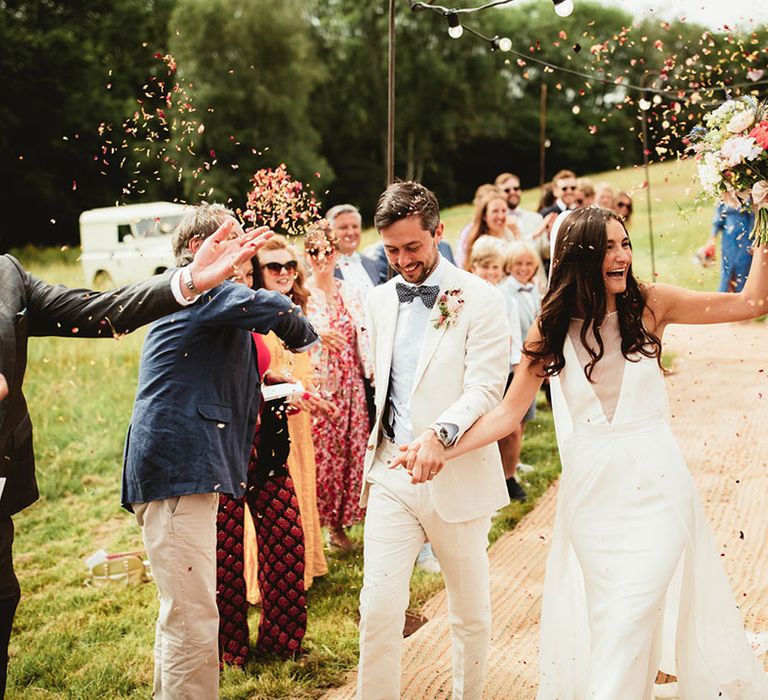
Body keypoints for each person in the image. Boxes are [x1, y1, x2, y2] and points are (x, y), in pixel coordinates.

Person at [395, 205, 768, 698]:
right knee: (615, 613)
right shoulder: (551, 327)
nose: (622, 255)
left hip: (658, 483)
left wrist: (764, 217)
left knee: (637, 602)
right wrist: (440, 443)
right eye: (608, 246)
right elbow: (507, 415)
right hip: (593, 492)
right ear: (580, 255)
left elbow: (751, 304)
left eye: (625, 244)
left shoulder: (653, 304)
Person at [0, 219, 263, 696]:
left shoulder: (7, 276)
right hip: (174, 471)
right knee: (190, 613)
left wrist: (188, 280)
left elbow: (103, 308)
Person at [121, 203, 318, 698]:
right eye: (235, 252)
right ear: (197, 251)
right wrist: (304, 332)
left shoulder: (202, 301)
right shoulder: (197, 290)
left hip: (183, 470)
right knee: (193, 619)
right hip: (178, 469)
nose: (243, 270)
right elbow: (274, 308)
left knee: (185, 616)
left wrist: (267, 381)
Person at [357, 181, 510, 700]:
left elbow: (487, 388)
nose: (403, 261)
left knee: (468, 611)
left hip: (456, 474)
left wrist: (438, 437)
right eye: (391, 250)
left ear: (438, 232)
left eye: (413, 248)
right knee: (377, 608)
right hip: (391, 475)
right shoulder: (378, 301)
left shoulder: (482, 299)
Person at [304, 221, 371, 552]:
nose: (321, 258)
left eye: (327, 251)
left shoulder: (349, 291)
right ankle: (316, 526)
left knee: (351, 454)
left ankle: (340, 526)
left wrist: (371, 372)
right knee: (322, 457)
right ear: (307, 255)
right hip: (319, 387)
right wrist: (316, 335)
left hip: (351, 383)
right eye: (314, 252)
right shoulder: (302, 295)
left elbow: (364, 333)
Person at [467, 238, 525, 501]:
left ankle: (509, 476)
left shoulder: (507, 301)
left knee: (511, 429)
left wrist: (516, 369)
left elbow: (513, 338)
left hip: (504, 374)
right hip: (474, 375)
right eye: (485, 267)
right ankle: (481, 483)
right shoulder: (466, 298)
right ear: (474, 267)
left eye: (495, 268)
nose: (491, 273)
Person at [327, 204, 379, 293]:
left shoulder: (372, 264)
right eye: (343, 227)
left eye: (355, 227)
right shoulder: (324, 267)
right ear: (330, 232)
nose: (351, 233)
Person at [462, 192, 520, 271]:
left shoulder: (508, 234)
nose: (501, 216)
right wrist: (517, 235)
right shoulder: (483, 243)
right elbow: (516, 262)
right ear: (484, 216)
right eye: (495, 211)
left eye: (503, 211)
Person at [709, 201, 755, 293]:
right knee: (727, 270)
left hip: (746, 238)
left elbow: (754, 217)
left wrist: (753, 241)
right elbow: (719, 217)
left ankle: (742, 298)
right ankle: (725, 299)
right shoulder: (724, 191)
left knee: (743, 270)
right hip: (728, 239)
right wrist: (711, 240)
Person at [495, 172, 546, 240]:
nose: (513, 192)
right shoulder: (495, 222)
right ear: (498, 193)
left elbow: (545, 249)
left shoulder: (537, 218)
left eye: (516, 188)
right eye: (507, 190)